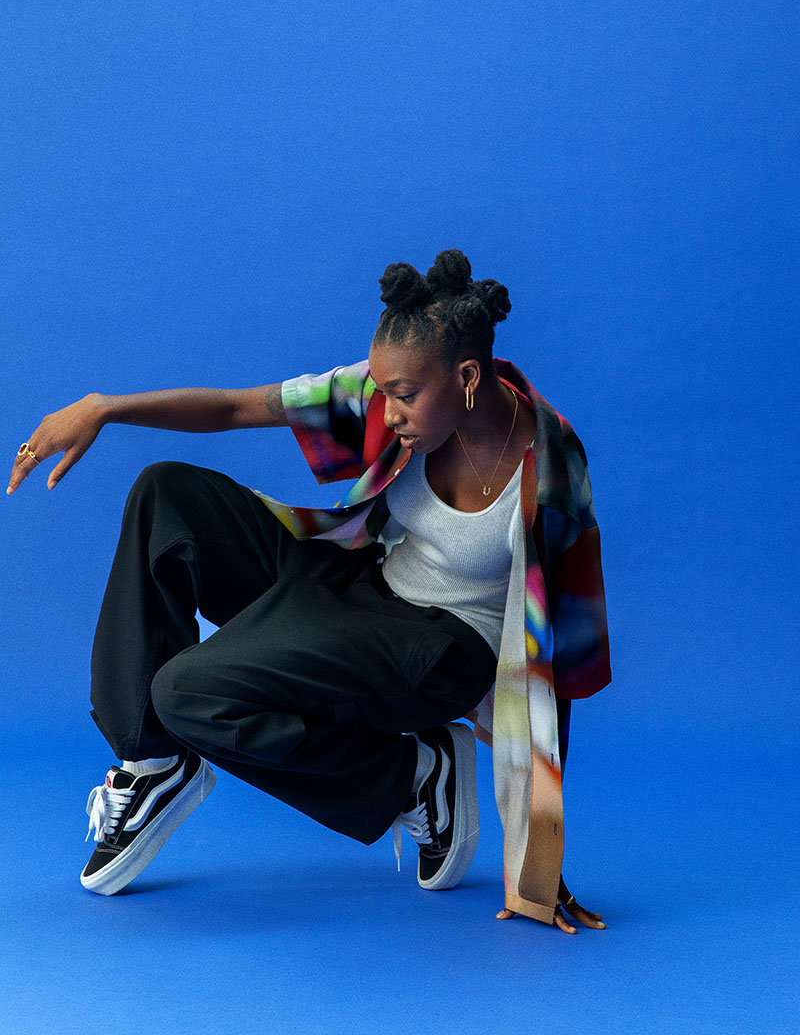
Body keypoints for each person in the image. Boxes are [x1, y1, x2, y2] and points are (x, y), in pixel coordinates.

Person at [8, 250, 610, 933]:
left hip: (443, 650)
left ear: (467, 377)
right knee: (164, 494)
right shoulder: (392, 389)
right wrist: (105, 408)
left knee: (187, 694)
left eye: (404, 396)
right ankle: (153, 763)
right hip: (360, 583)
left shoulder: (550, 473)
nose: (388, 410)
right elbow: (237, 407)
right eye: (383, 391)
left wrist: (539, 867)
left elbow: (553, 671)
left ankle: (414, 776)